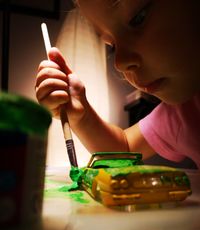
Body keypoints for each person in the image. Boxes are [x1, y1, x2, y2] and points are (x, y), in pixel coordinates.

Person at [35, 0, 200, 169]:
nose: (119, 63)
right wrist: (82, 117)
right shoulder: (182, 113)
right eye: (112, 45)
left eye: (138, 19)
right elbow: (125, 148)